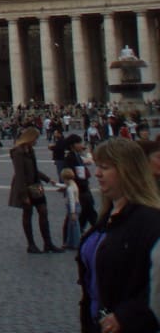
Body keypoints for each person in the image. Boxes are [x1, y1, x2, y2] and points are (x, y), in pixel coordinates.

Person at [77, 138, 160, 333]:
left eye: (104, 168)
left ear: (127, 171)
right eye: (98, 166)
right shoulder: (107, 216)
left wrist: (128, 315)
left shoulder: (150, 220)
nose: (97, 173)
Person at [8, 127, 63, 254]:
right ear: (30, 137)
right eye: (35, 138)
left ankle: (48, 243)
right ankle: (31, 244)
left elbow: (34, 169)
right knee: (28, 214)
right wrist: (23, 194)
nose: (36, 141)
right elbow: (20, 173)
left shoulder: (30, 150)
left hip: (35, 185)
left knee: (43, 211)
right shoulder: (18, 151)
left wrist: (48, 179)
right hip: (25, 186)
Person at [63, 134, 98, 229]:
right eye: (79, 143)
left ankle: (78, 235)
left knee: (87, 214)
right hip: (79, 190)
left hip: (83, 188)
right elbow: (70, 174)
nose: (81, 145)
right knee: (88, 214)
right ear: (72, 145)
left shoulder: (77, 155)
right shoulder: (70, 157)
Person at [61, 169, 81, 250]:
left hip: (73, 208)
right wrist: (56, 184)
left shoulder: (69, 189)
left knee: (74, 226)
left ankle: (75, 243)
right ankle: (71, 242)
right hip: (78, 205)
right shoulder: (73, 184)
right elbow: (64, 186)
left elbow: (72, 201)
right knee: (71, 225)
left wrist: (72, 212)